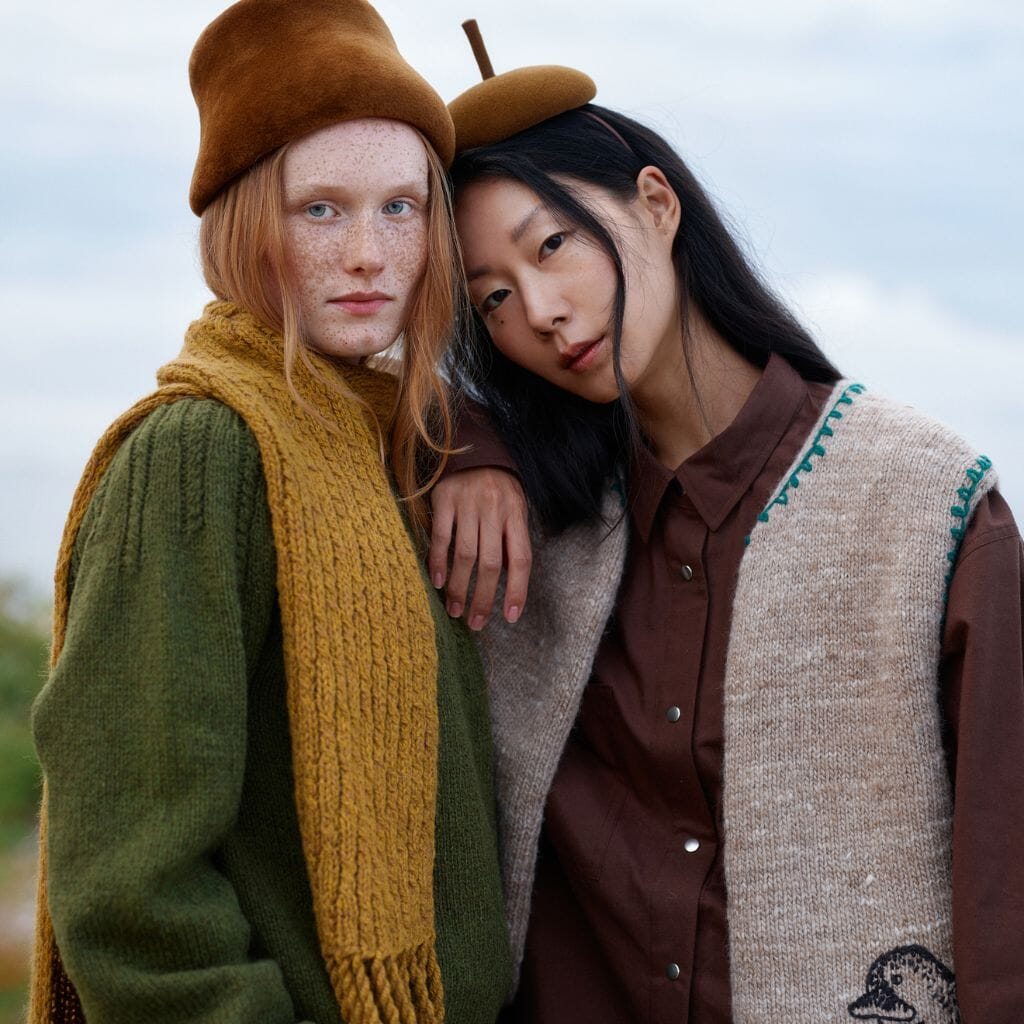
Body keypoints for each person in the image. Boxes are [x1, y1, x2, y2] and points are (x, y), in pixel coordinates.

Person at [430, 24, 1024, 1024]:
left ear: (656, 204)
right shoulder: (527, 534)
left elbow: (1008, 888)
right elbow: (338, 380)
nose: (538, 310)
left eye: (553, 245)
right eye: (491, 300)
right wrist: (462, 442)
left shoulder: (924, 503)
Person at [28, 3, 516, 1022]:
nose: (370, 253)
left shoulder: (392, 443)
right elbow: (130, 889)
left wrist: (486, 446)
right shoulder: (200, 452)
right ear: (245, 224)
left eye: (400, 207)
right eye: (320, 209)